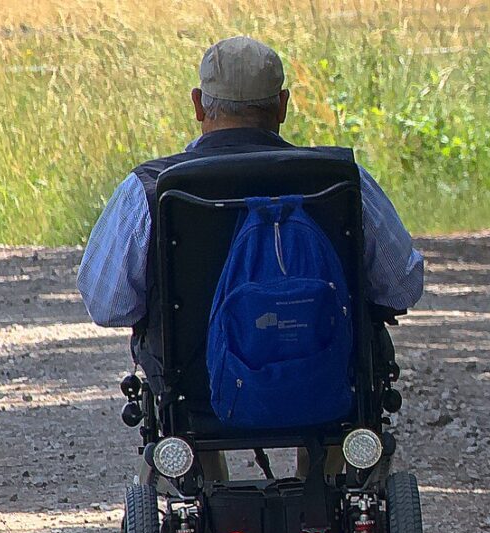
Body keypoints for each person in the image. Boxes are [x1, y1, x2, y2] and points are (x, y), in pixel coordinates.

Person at [77, 36, 424, 480]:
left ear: (199, 105)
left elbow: (109, 306)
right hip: (329, 380)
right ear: (282, 106)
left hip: (197, 390)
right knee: (346, 394)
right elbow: (402, 286)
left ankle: (205, 510)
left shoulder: (150, 188)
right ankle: (324, 502)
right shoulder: (341, 180)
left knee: (179, 402)